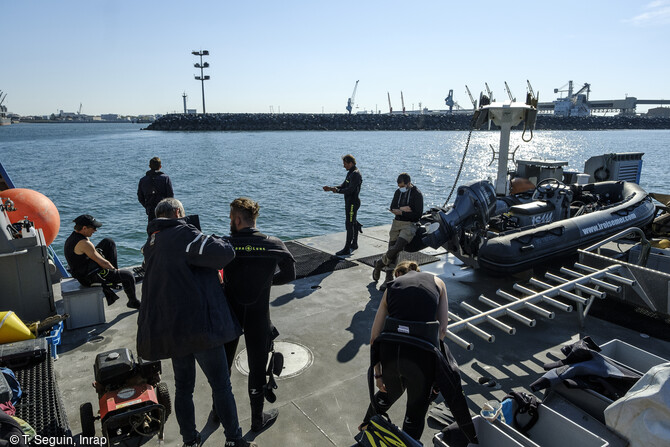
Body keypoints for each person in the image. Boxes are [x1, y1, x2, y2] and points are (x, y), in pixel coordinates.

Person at [136, 198, 255, 447]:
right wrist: (213, 237)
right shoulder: (183, 232)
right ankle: (234, 439)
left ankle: (190, 440)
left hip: (173, 331)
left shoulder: (152, 242)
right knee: (221, 385)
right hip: (200, 328)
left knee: (184, 388)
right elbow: (225, 253)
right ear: (179, 212)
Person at [359, 261, 476, 443]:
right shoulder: (438, 282)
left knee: (388, 390)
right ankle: (408, 442)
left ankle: (366, 426)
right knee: (415, 413)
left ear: (398, 274)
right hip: (422, 358)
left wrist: (378, 375)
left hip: (392, 354)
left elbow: (374, 337)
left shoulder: (391, 288)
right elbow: (442, 330)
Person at [222, 197, 296, 432]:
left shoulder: (225, 244)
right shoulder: (273, 244)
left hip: (230, 316)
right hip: (258, 315)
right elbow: (290, 275)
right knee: (256, 368)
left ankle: (218, 412)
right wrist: (266, 283)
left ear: (236, 219)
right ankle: (256, 419)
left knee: (222, 367)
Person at [63, 214, 140, 309]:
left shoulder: (75, 236)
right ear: (84, 228)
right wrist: (114, 271)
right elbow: (103, 263)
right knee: (128, 276)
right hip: (88, 277)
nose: (95, 230)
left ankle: (115, 277)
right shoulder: (84, 243)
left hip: (83, 268)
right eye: (94, 228)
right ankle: (133, 302)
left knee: (108, 242)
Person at [372, 173, 424, 290]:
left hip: (410, 224)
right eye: (399, 186)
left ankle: (380, 263)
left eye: (402, 186)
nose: (401, 188)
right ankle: (388, 279)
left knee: (397, 247)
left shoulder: (417, 194)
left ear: (409, 183)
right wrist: (402, 209)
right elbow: (392, 207)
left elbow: (418, 214)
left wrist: (403, 212)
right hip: (397, 223)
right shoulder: (398, 192)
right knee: (392, 248)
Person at [322, 154, 363, 256]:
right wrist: (331, 188)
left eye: (345, 164)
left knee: (349, 224)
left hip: (353, 203)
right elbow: (343, 185)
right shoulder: (350, 173)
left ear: (351, 163)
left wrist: (337, 191)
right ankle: (355, 243)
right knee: (352, 221)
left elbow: (350, 190)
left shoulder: (356, 174)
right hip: (349, 202)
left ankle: (347, 248)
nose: (343, 166)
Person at [137, 156, 174, 221]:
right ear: (160, 167)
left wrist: (147, 206)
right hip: (164, 210)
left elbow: (140, 197)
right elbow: (170, 196)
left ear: (149, 166)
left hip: (151, 210)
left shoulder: (143, 180)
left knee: (153, 229)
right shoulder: (165, 178)